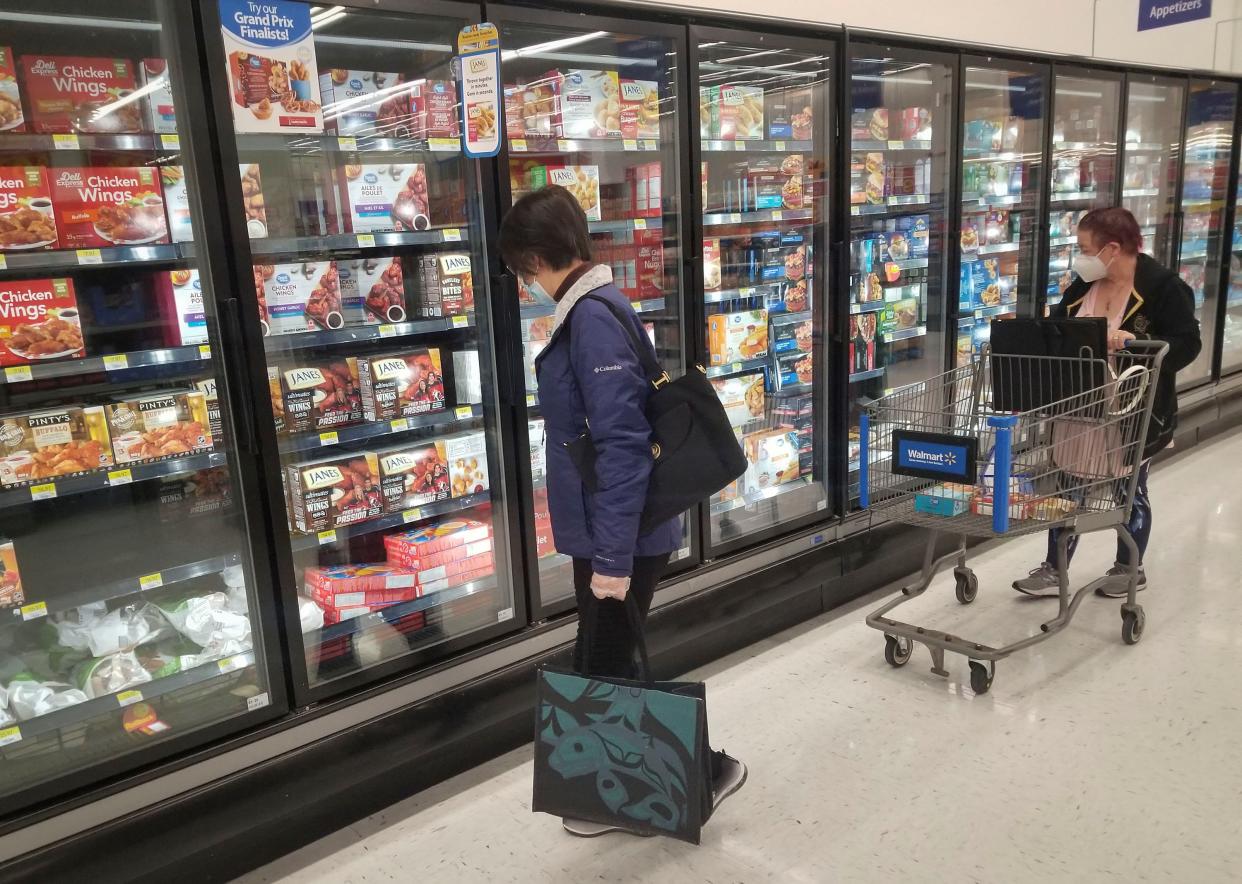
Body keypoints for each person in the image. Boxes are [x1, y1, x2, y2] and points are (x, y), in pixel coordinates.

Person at [498, 185, 747, 837]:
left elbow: (625, 447)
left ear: (532, 258)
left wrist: (610, 559)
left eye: (520, 269)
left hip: (622, 535)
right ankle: (613, 792)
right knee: (606, 655)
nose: (523, 283)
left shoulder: (593, 318)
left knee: (614, 660)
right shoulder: (587, 310)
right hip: (612, 529)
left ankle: (706, 772)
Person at [1013, 207, 1201, 598]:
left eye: (1084, 247)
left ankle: (1129, 567)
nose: (1079, 256)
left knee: (1128, 490)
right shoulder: (1085, 283)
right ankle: (1055, 569)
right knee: (1066, 488)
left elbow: (1188, 343)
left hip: (1131, 410)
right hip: (1078, 405)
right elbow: (1057, 326)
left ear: (1112, 249)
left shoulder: (1163, 287)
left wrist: (1137, 344)